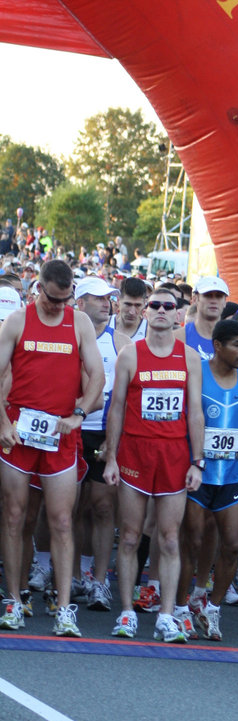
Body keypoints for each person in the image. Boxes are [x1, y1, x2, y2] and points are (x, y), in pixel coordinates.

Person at [0, 259, 104, 636]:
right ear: (38, 289)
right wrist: (2, 424)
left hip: (59, 433)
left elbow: (98, 376)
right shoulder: (17, 321)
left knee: (61, 521)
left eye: (66, 299)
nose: (59, 306)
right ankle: (13, 600)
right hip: (19, 432)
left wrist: (79, 412)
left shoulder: (79, 323)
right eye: (53, 299)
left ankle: (63, 609)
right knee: (14, 517)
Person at [103, 286, 205, 643]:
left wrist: (198, 461)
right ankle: (128, 612)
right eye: (155, 305)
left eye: (169, 306)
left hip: (175, 455)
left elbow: (195, 412)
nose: (161, 310)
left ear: (179, 314)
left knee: (170, 539)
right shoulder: (130, 355)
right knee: (130, 536)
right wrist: (111, 456)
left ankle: (165, 616)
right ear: (145, 312)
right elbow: (115, 409)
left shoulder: (189, 357)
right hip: (135, 452)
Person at [176, 319, 238, 642]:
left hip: (232, 474)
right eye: (237, 345)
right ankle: (181, 607)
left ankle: (212, 606)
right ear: (218, 346)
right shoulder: (198, 373)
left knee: (233, 544)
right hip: (200, 473)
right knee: (192, 541)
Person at [73, 276, 133, 611]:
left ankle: (98, 582)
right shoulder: (69, 336)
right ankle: (68, 576)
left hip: (105, 431)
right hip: (72, 428)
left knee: (103, 507)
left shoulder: (121, 341)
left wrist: (115, 439)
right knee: (70, 508)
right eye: (97, 298)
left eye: (108, 298)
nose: (105, 303)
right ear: (80, 303)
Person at [179, 275, 229, 360]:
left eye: (219, 296)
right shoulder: (178, 337)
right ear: (195, 299)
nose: (214, 301)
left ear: (225, 302)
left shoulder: (235, 339)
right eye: (208, 295)